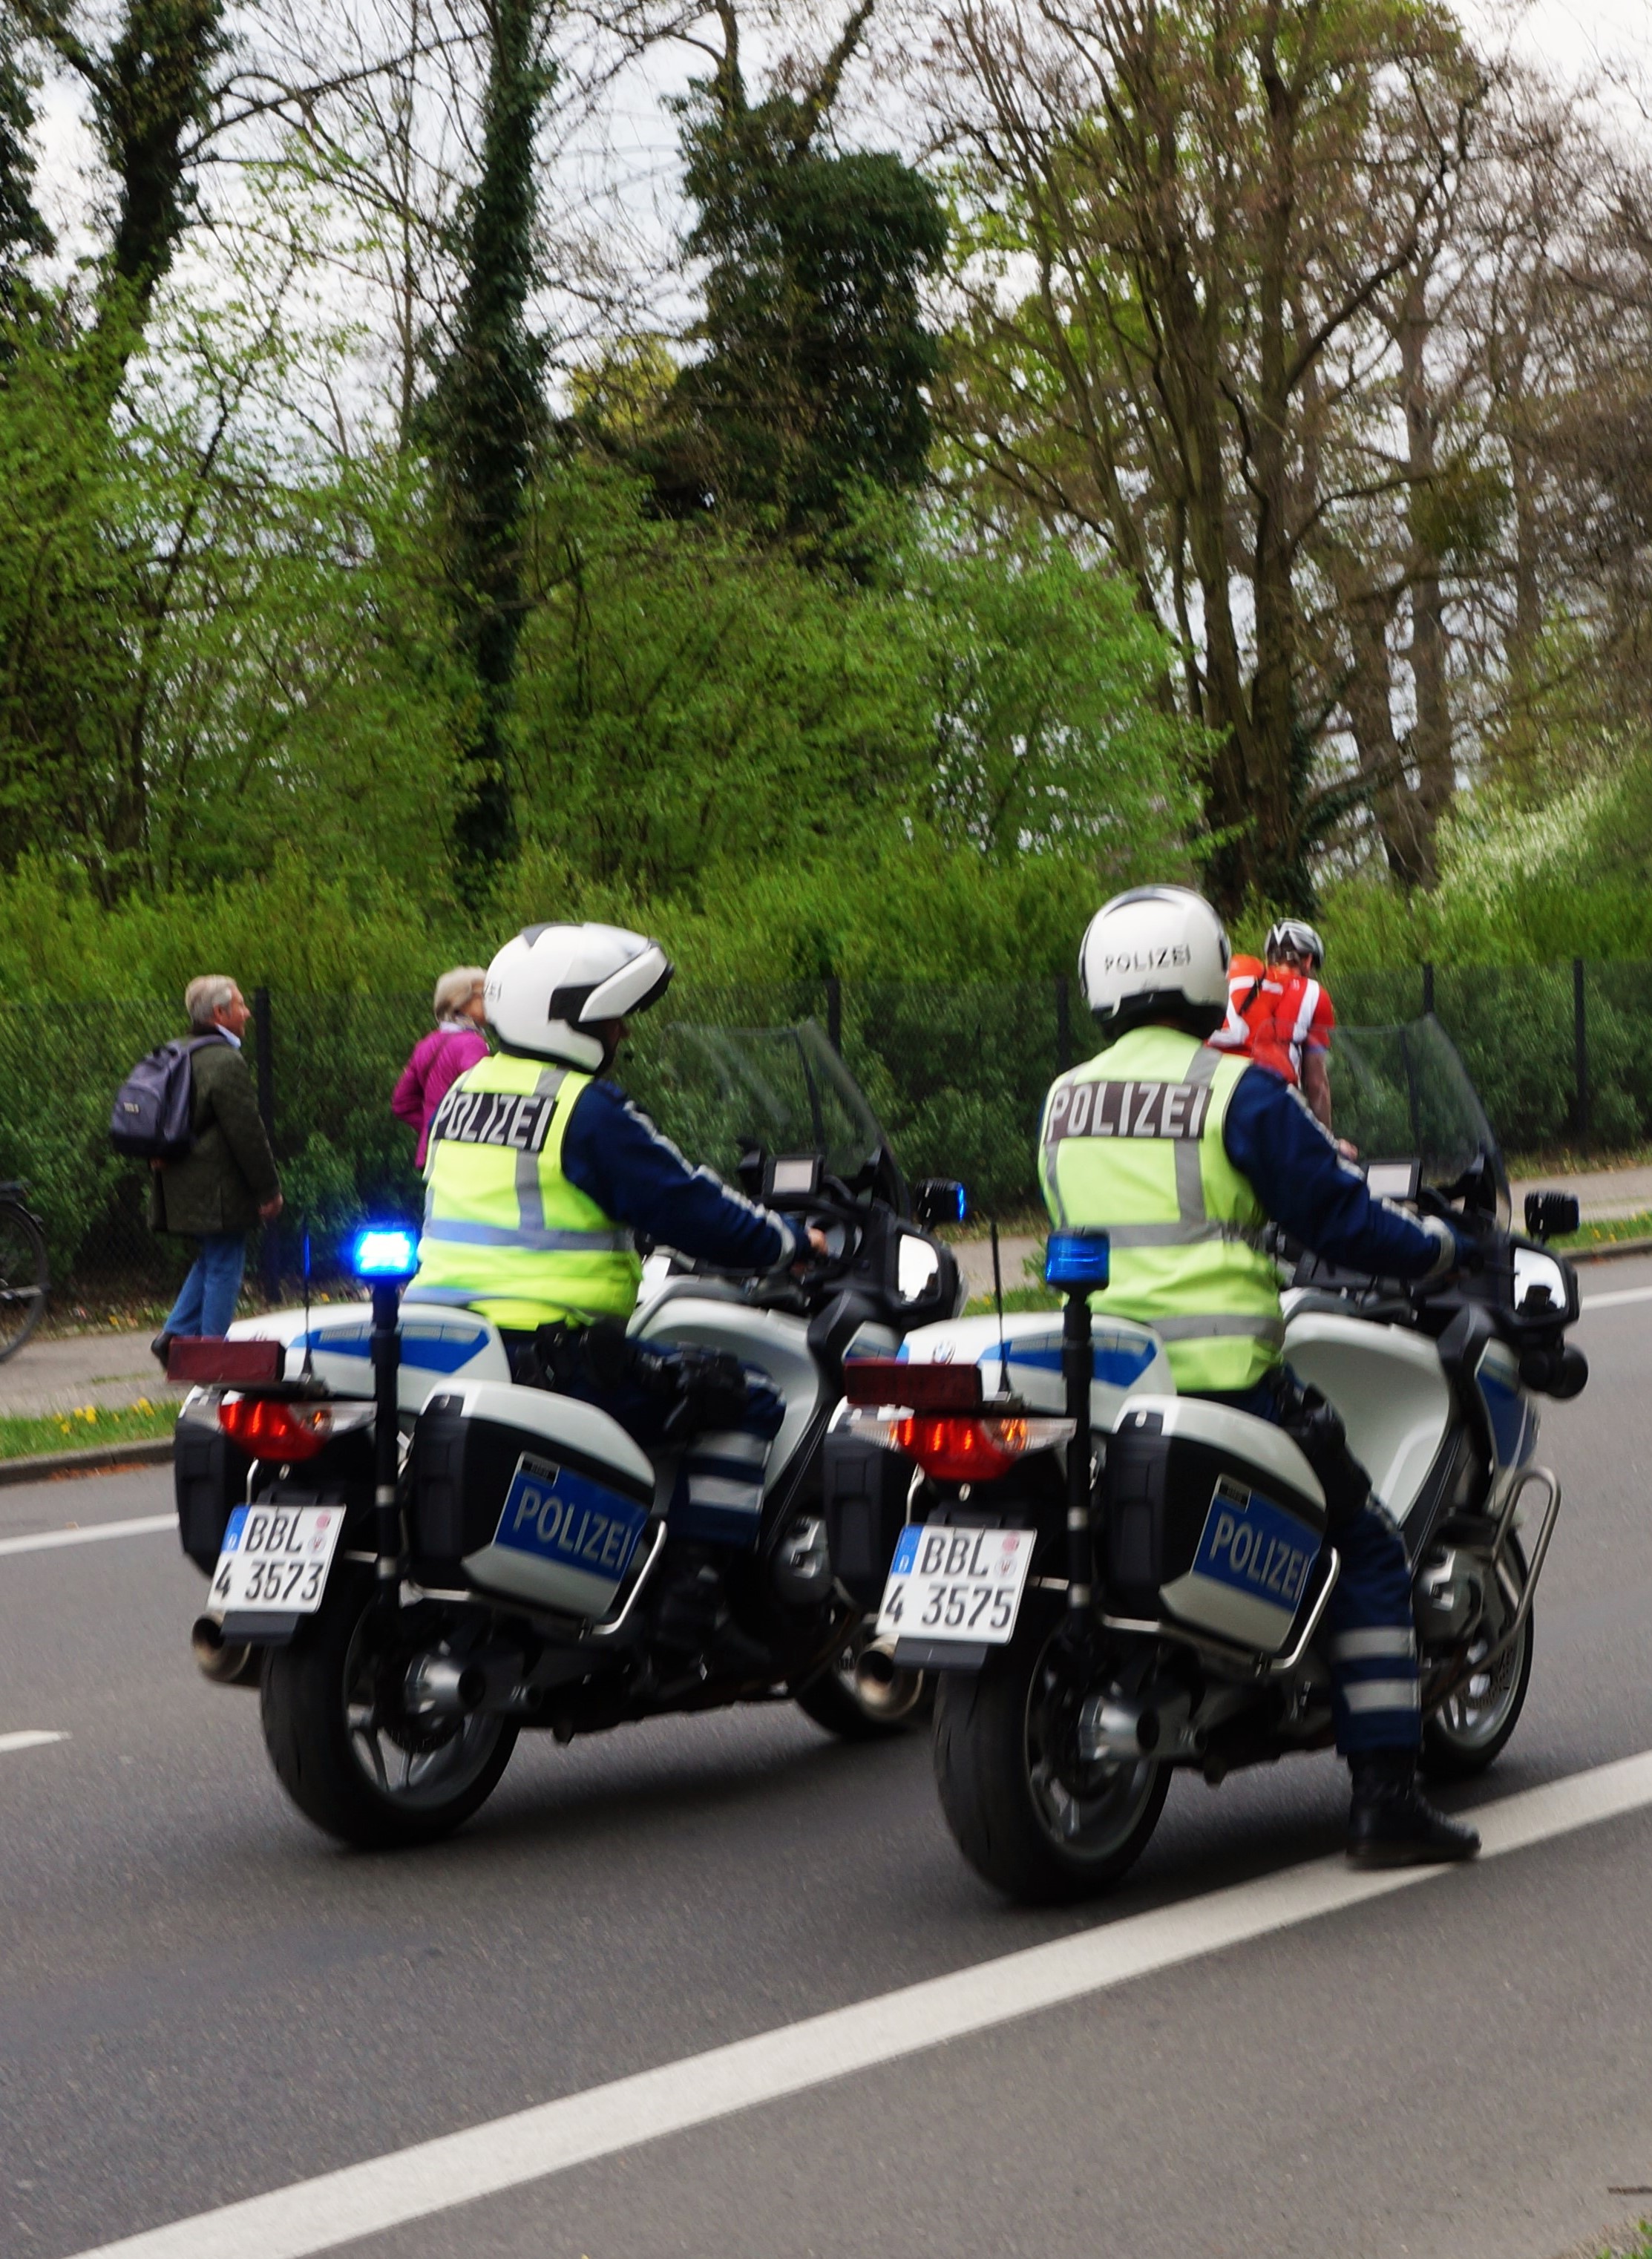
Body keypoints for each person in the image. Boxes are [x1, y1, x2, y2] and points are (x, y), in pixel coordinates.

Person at [1039, 885, 1479, 1869]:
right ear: (1202, 977)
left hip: (1111, 1385)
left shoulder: (1062, 1099)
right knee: (1366, 1545)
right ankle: (1383, 1801)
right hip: (1224, 1378)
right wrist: (1439, 1249)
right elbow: (1340, 1218)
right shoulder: (1237, 1093)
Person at [406, 924, 825, 1617]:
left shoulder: (465, 1090)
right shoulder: (584, 1109)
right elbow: (687, 1203)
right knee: (743, 1397)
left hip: (456, 1343)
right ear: (566, 1019)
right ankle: (695, 1594)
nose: (622, 1033)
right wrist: (785, 1239)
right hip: (552, 1354)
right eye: (609, 1017)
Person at [149, 977, 283, 1366]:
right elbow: (246, 1131)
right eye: (240, 1005)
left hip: (177, 1180)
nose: (246, 1013)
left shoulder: (176, 1052)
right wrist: (268, 1190)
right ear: (220, 1014)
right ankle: (211, 1358)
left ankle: (174, 1337)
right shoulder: (224, 1060)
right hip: (216, 1187)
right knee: (225, 1263)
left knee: (212, 1256)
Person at [1211, 920, 1337, 1133]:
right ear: (1307, 961)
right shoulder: (1313, 994)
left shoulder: (1235, 981)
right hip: (1273, 1106)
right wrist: (1329, 1144)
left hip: (1215, 1101)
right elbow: (1317, 1085)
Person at [391, 967, 490, 1169]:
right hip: (463, 1158)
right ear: (459, 1002)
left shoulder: (426, 1044)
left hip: (431, 1156)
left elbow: (402, 1103)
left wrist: (433, 1128)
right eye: (484, 994)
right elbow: (483, 1097)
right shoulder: (472, 1044)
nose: (491, 1000)